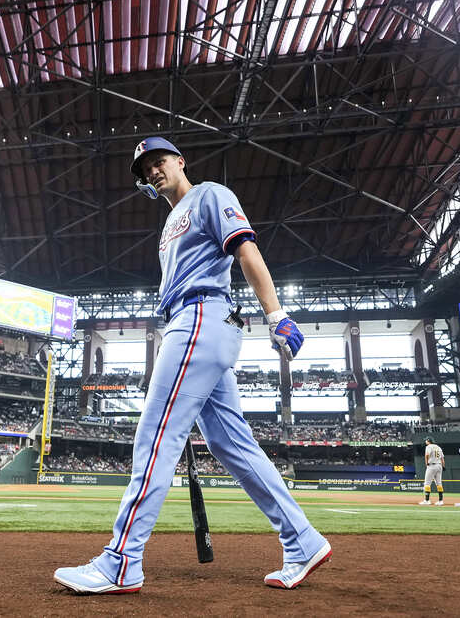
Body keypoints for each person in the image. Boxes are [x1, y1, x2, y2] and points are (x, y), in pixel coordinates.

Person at [54, 137, 329, 595]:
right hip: (196, 325)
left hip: (201, 317)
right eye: (144, 170)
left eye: (158, 162)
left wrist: (276, 314)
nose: (152, 172)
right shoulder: (168, 223)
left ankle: (121, 563)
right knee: (231, 445)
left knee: (156, 436)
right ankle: (302, 539)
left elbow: (245, 251)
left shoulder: (210, 194)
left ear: (180, 161)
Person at [419, 437, 445, 505]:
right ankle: (440, 501)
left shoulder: (429, 446)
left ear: (428, 441)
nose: (425, 441)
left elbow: (427, 455)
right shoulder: (438, 447)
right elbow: (442, 458)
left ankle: (427, 500)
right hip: (439, 465)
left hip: (432, 465)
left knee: (427, 483)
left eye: (426, 440)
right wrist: (443, 466)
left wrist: (426, 463)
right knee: (439, 483)